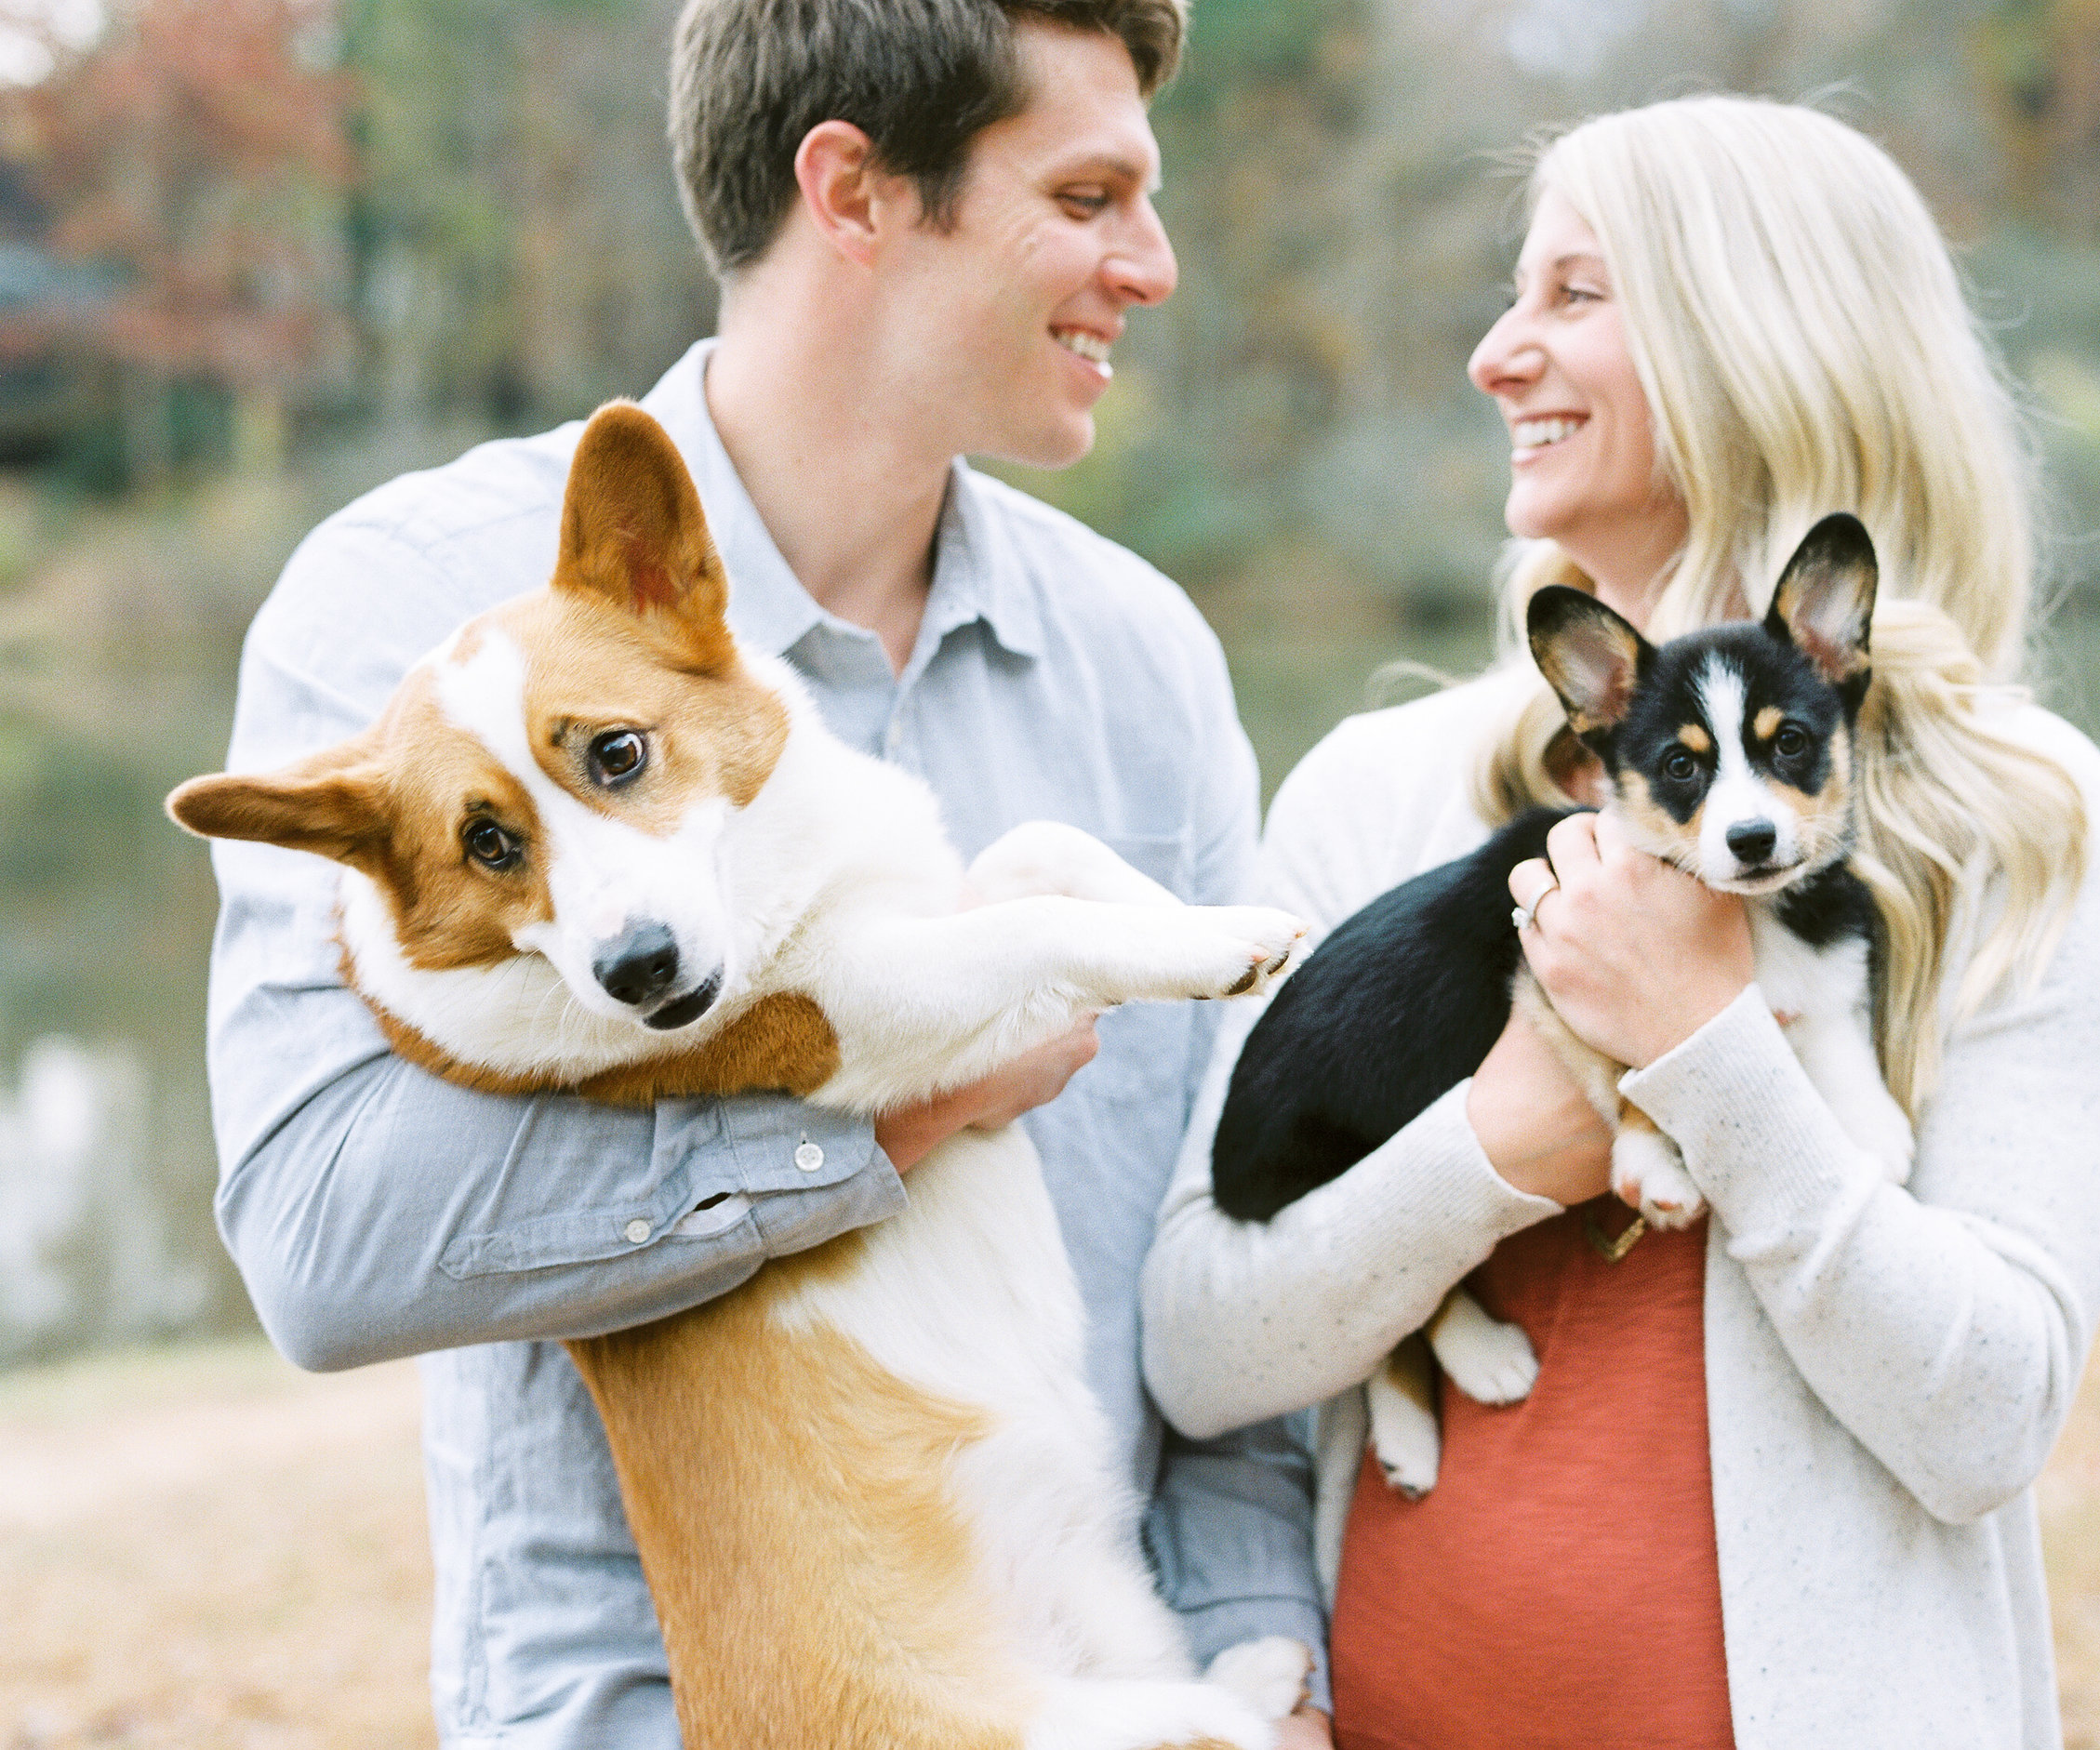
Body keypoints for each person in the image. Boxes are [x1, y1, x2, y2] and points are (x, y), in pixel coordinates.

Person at [201, 2, 1334, 1743]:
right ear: (858, 192)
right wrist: (879, 1110)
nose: (1155, 265)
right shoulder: (400, 611)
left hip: (1122, 1692)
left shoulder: (1140, 664)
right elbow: (325, 1236)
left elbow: (1214, 1247)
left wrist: (1270, 1657)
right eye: (1092, 196)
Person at [1140, 95, 2100, 1750]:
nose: (1492, 354)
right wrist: (1494, 1146)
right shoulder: (1377, 796)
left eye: (1571, 295)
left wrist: (1711, 1052)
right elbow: (1198, 1344)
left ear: (1758, 331)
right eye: (1509, 293)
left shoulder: (2027, 828)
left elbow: (1985, 1417)